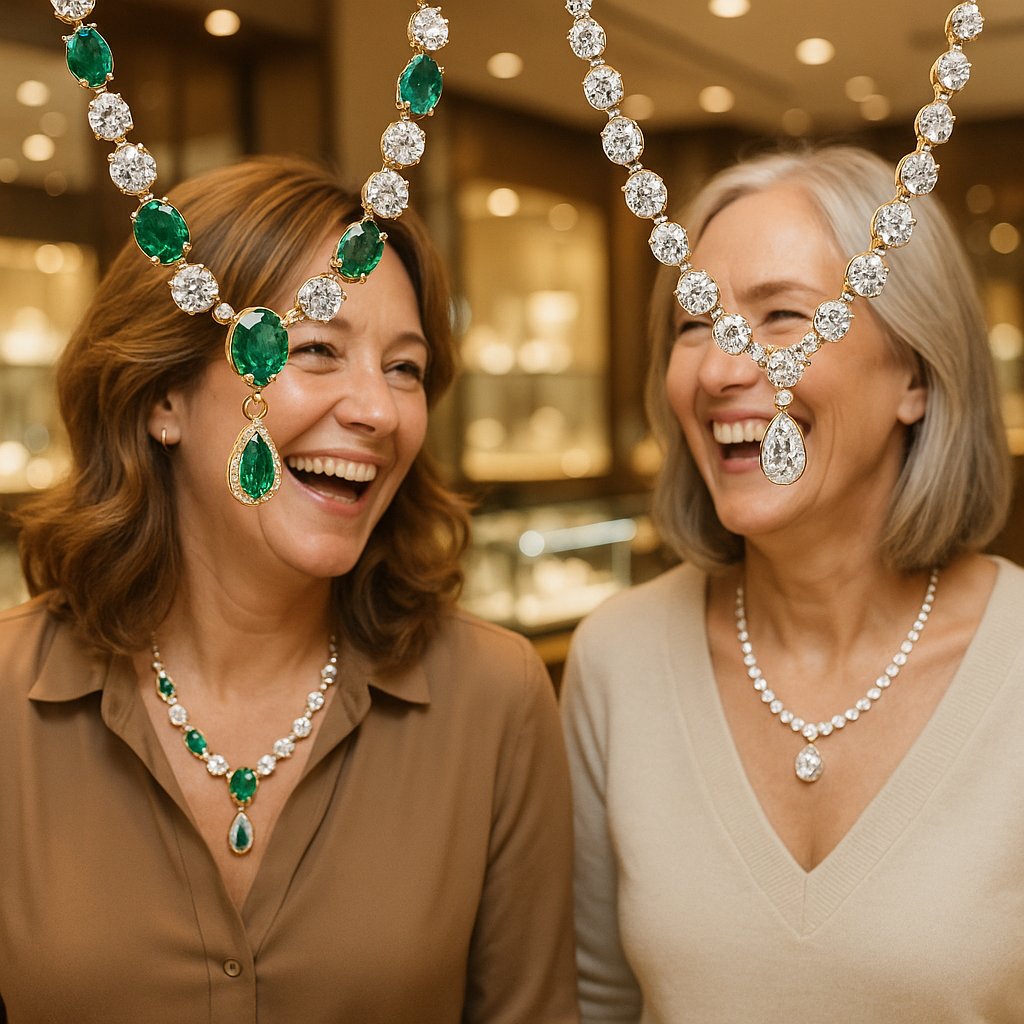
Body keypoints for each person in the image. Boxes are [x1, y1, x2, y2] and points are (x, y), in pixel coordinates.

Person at [0, 156, 579, 1024]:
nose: (378, 412)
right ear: (165, 393)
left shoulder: (493, 701)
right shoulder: (9, 699)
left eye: (405, 368)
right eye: (315, 349)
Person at [560, 146, 1021, 1022]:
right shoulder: (615, 660)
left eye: (782, 317)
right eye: (695, 323)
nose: (723, 367)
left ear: (915, 376)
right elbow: (594, 1001)